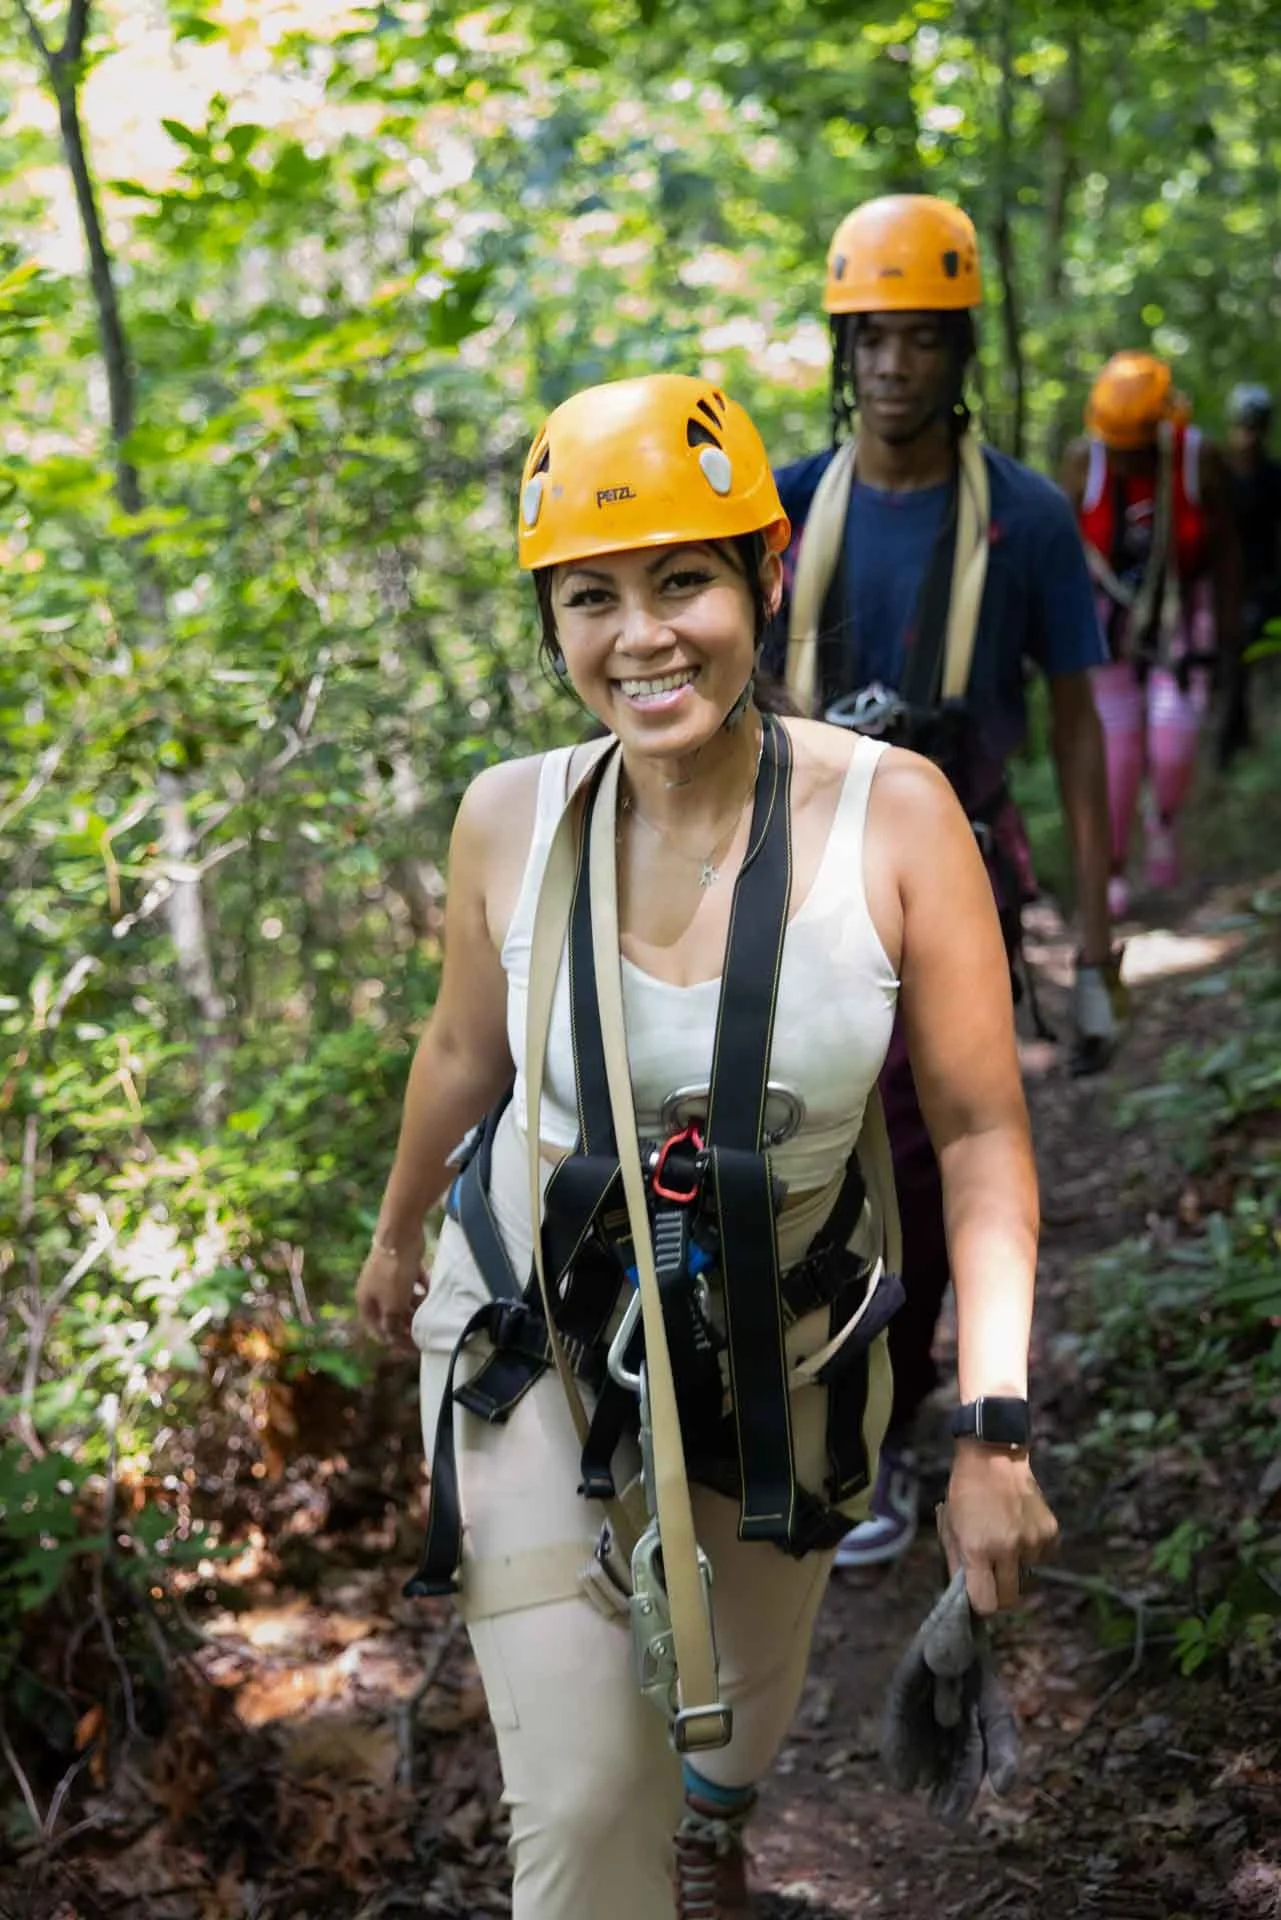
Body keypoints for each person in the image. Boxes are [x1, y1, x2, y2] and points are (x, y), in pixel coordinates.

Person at [356, 373, 1058, 1918]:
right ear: (550, 621)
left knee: (729, 1722)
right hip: (524, 1332)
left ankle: (718, 1823)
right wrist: (401, 1228)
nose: (641, 636)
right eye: (591, 596)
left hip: (780, 1345)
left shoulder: (896, 816)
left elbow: (978, 1128)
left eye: (683, 580)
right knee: (592, 1807)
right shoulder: (505, 819)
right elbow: (465, 1047)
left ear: (765, 574)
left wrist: (992, 1430)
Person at [765, 194, 1117, 1574]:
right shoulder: (789, 506)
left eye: (919, 341)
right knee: (810, 1150)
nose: (892, 367)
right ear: (843, 350)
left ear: (958, 352)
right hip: (801, 866)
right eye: (871, 340)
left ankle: (887, 1426)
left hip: (955, 867)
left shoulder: (1021, 520)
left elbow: (1079, 728)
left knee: (916, 1151)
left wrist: (1094, 947)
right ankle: (811, 1399)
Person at [1062, 350, 1241, 914]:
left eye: (1136, 448)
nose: (1125, 460)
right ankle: (1112, 869)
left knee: (1173, 737)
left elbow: (1227, 551)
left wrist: (1230, 643)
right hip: (1106, 630)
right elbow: (1056, 557)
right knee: (1116, 753)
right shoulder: (1081, 464)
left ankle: (1163, 819)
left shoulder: (1197, 459)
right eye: (1117, 449)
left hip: (1183, 619)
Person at [1218, 381, 1281, 766]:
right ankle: (1229, 739)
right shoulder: (1220, 475)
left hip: (1264, 584)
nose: (1247, 435)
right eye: (1243, 425)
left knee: (1252, 660)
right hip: (1225, 586)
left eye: (1254, 426)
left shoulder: (1274, 478)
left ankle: (1240, 737)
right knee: (1229, 662)